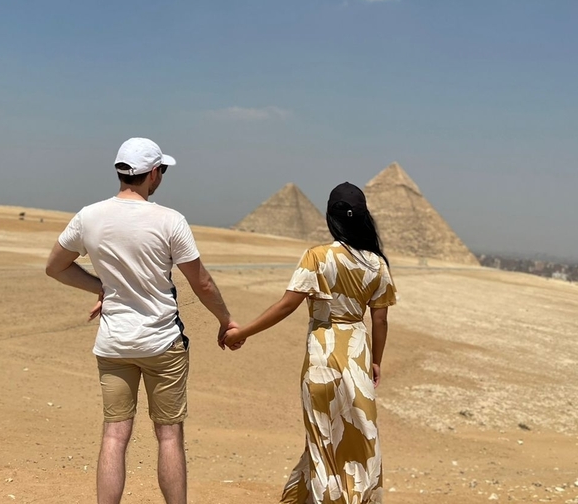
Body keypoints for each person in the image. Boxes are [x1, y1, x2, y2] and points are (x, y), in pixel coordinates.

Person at [45, 137, 239, 504]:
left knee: (115, 435)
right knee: (168, 435)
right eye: (161, 170)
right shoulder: (169, 220)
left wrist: (102, 287)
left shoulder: (89, 216)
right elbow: (202, 282)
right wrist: (226, 320)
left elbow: (55, 267)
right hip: (162, 341)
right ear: (154, 174)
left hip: (114, 343)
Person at [224, 182, 396, 504]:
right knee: (360, 446)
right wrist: (376, 360)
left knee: (321, 446)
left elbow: (286, 305)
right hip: (357, 360)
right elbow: (380, 320)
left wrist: (242, 332)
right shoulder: (377, 264)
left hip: (321, 359)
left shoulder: (316, 257)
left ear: (330, 217)